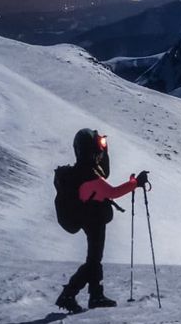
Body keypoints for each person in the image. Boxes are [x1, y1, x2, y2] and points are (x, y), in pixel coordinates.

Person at [56, 129, 148, 313]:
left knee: (94, 259)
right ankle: (71, 294)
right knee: (94, 260)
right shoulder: (89, 175)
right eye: (98, 151)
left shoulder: (80, 172)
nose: (100, 154)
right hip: (93, 219)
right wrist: (135, 183)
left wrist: (132, 182)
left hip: (87, 217)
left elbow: (104, 180)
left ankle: (95, 294)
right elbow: (112, 192)